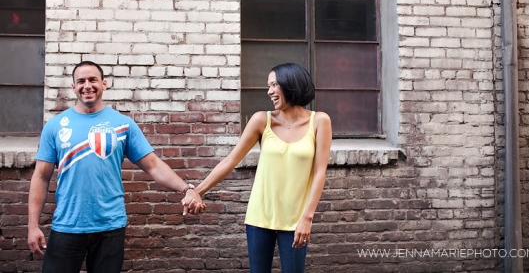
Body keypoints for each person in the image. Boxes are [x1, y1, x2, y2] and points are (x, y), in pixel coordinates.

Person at [27, 60, 205, 273]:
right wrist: (32, 225)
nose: (87, 85)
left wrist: (187, 188)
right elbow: (41, 177)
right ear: (73, 87)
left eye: (93, 79)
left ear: (104, 83)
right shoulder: (55, 126)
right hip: (67, 225)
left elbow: (153, 165)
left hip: (110, 226)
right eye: (81, 81)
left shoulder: (123, 124)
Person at [195, 63, 332, 273]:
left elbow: (319, 172)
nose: (269, 91)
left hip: (296, 219)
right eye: (268, 86)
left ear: (291, 85)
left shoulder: (320, 121)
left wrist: (307, 217)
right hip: (260, 217)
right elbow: (230, 161)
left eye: (274, 84)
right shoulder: (262, 120)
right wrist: (197, 191)